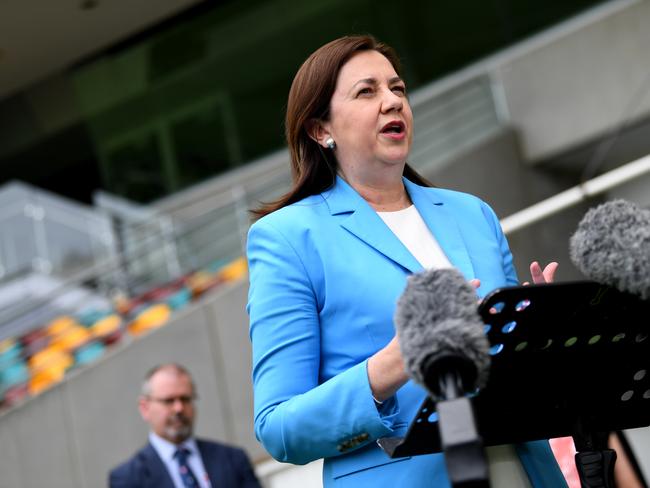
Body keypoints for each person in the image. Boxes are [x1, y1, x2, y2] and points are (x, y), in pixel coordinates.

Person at [246, 34, 566, 487]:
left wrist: (539, 331)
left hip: (520, 469)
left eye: (397, 89)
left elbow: (513, 371)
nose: (392, 102)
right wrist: (390, 367)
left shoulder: (472, 213)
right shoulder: (287, 238)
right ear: (321, 130)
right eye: (367, 91)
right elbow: (279, 428)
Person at [109, 363, 262, 488]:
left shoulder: (232, 459)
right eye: (168, 401)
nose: (179, 408)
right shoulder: (127, 479)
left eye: (185, 399)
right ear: (145, 408)